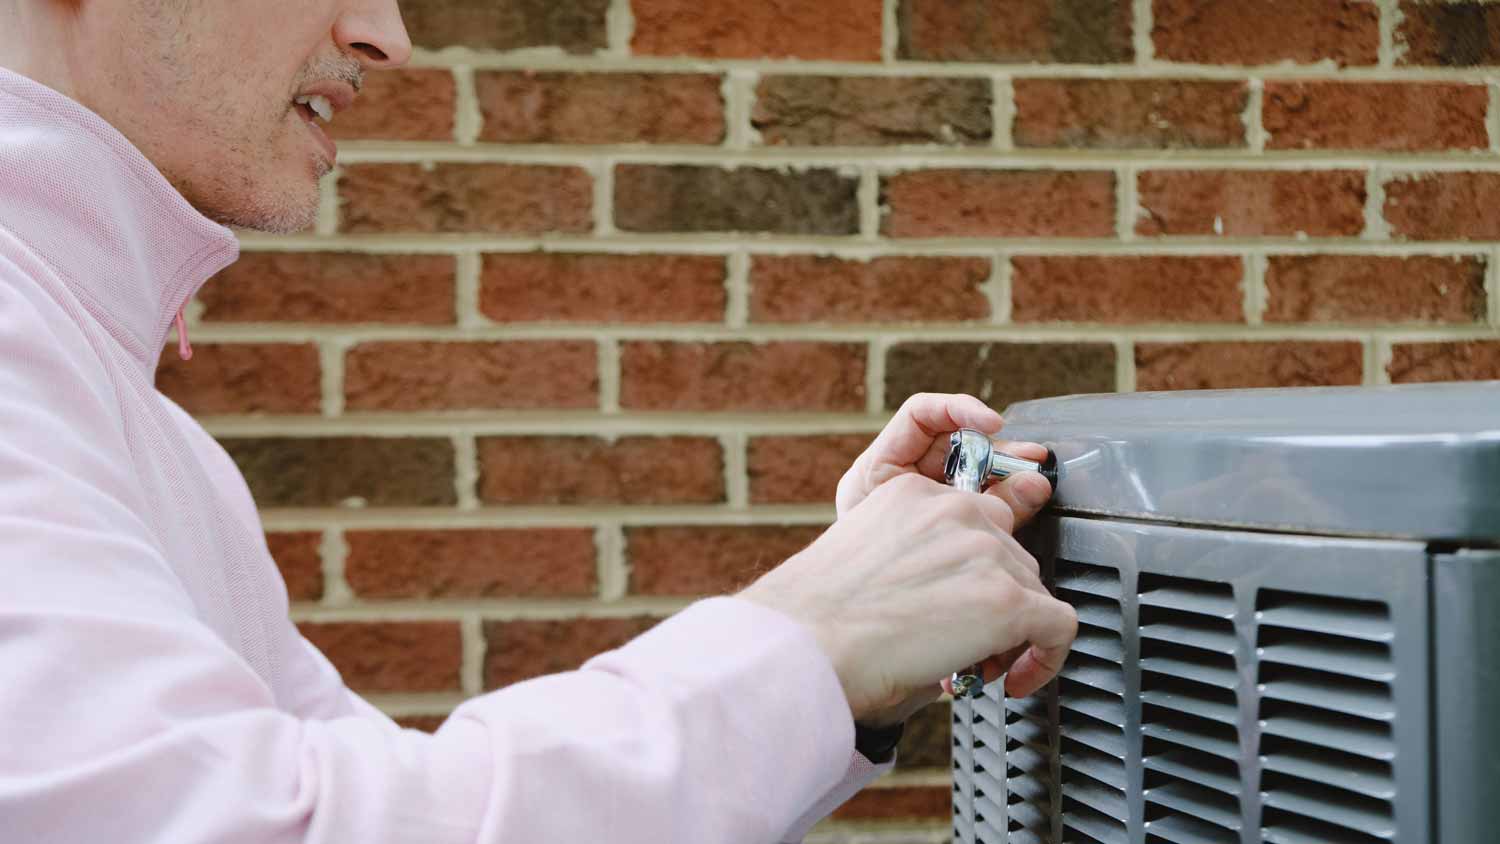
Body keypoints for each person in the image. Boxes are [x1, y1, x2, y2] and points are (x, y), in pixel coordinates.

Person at [0, 1, 1078, 841]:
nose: (389, 38)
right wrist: (815, 637)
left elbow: (384, 800)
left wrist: (856, 665)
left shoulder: (156, 441)